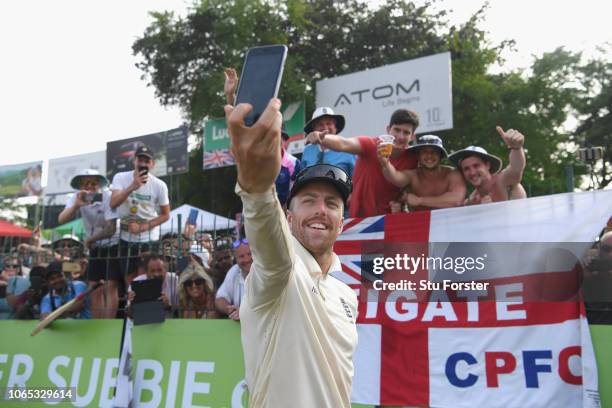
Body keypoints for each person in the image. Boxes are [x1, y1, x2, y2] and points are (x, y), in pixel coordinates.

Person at [226, 98, 357, 407]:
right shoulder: (279, 272)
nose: (321, 211)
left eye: (332, 204)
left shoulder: (346, 294)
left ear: (342, 223)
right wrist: (257, 188)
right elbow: (270, 244)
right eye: (308, 200)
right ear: (288, 217)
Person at [307, 108, 419, 217]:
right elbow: (344, 143)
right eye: (397, 130)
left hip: (392, 221)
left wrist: (385, 163)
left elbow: (398, 180)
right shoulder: (371, 144)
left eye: (406, 132)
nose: (400, 136)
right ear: (388, 129)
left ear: (412, 136)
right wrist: (322, 138)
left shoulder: (413, 158)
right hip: (359, 221)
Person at [223, 68, 302, 207]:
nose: (277, 140)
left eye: (281, 136)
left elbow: (296, 195)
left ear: (285, 140)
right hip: (253, 214)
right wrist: (230, 95)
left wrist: (285, 216)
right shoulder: (252, 156)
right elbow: (236, 126)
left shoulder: (293, 164)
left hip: (282, 218)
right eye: (273, 134)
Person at [58, 169, 120, 318]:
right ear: (80, 186)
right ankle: (97, 321)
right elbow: (61, 219)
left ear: (99, 185)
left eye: (93, 183)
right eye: (86, 184)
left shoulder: (108, 196)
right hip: (95, 247)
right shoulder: (77, 197)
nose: (90, 186)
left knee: (110, 285)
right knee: (94, 286)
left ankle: (109, 322)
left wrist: (90, 240)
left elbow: (110, 228)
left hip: (113, 243)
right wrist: (76, 206)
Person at [110, 145, 170, 279]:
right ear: (134, 161)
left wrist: (142, 227)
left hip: (149, 238)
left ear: (152, 164)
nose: (143, 164)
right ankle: (131, 300)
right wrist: (132, 186)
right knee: (130, 279)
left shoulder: (159, 185)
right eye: (140, 160)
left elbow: (166, 215)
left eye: (146, 161)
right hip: (126, 237)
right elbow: (113, 203)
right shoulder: (120, 177)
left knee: (148, 277)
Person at [380, 135, 466, 211]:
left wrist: (419, 200)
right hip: (422, 227)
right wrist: (385, 162)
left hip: (451, 225)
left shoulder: (453, 173)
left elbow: (456, 200)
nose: (429, 156)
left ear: (441, 156)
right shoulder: (413, 176)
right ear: (418, 156)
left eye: (434, 152)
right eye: (424, 152)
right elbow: (395, 178)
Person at [448, 126, 527, 205]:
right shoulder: (471, 202)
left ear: (487, 165)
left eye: (476, 166)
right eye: (466, 169)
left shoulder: (503, 180)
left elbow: (516, 168)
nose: (472, 172)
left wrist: (516, 148)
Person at [301, 107, 356, 178]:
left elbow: (356, 180)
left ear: (335, 127)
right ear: (314, 128)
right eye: (320, 124)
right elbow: (302, 178)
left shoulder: (347, 150)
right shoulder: (307, 151)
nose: (325, 128)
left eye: (329, 123)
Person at [215, 238, 253, 320]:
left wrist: (243, 313)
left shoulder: (266, 272)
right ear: (236, 259)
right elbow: (220, 298)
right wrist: (230, 310)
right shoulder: (234, 271)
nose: (246, 259)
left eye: (250, 254)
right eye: (241, 256)